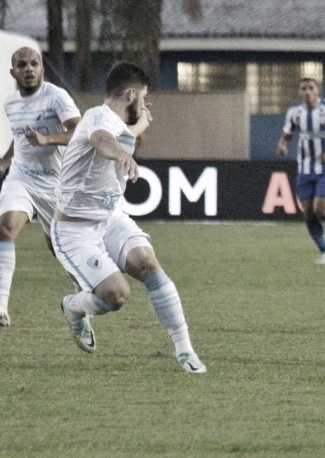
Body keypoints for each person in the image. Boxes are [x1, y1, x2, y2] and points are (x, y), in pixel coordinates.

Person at [52, 61, 206, 374]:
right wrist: (123, 153)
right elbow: (101, 139)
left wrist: (135, 128)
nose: (145, 104)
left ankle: (185, 351)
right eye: (143, 98)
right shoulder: (98, 116)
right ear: (131, 94)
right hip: (75, 230)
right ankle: (74, 306)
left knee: (149, 263)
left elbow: (121, 135)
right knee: (116, 295)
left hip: (110, 218)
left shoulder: (121, 125)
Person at [0, 47, 81, 327]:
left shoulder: (56, 96)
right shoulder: (10, 103)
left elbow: (80, 132)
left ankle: (81, 297)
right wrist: (6, 160)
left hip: (55, 183)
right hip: (21, 177)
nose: (29, 69)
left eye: (34, 64)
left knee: (59, 248)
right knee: (6, 227)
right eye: (22, 65)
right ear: (14, 72)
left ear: (42, 70)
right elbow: (20, 136)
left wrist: (48, 140)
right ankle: (1, 305)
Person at [277, 78, 325, 265]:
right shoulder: (294, 113)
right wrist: (283, 146)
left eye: (311, 88)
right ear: (299, 92)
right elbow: (286, 136)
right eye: (303, 88)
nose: (307, 92)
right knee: (309, 212)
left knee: (321, 209)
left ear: (318, 90)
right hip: (304, 169)